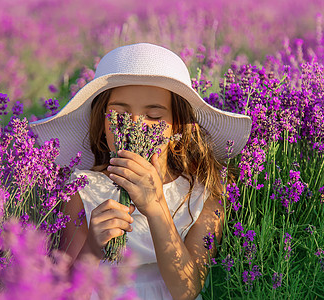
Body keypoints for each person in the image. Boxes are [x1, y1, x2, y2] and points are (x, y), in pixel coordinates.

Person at [29, 43, 251, 300]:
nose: (135, 125)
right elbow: (68, 293)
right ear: (102, 124)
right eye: (119, 115)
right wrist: (92, 246)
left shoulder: (202, 192)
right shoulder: (82, 188)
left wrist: (156, 206)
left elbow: (187, 290)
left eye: (154, 116)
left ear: (177, 127)